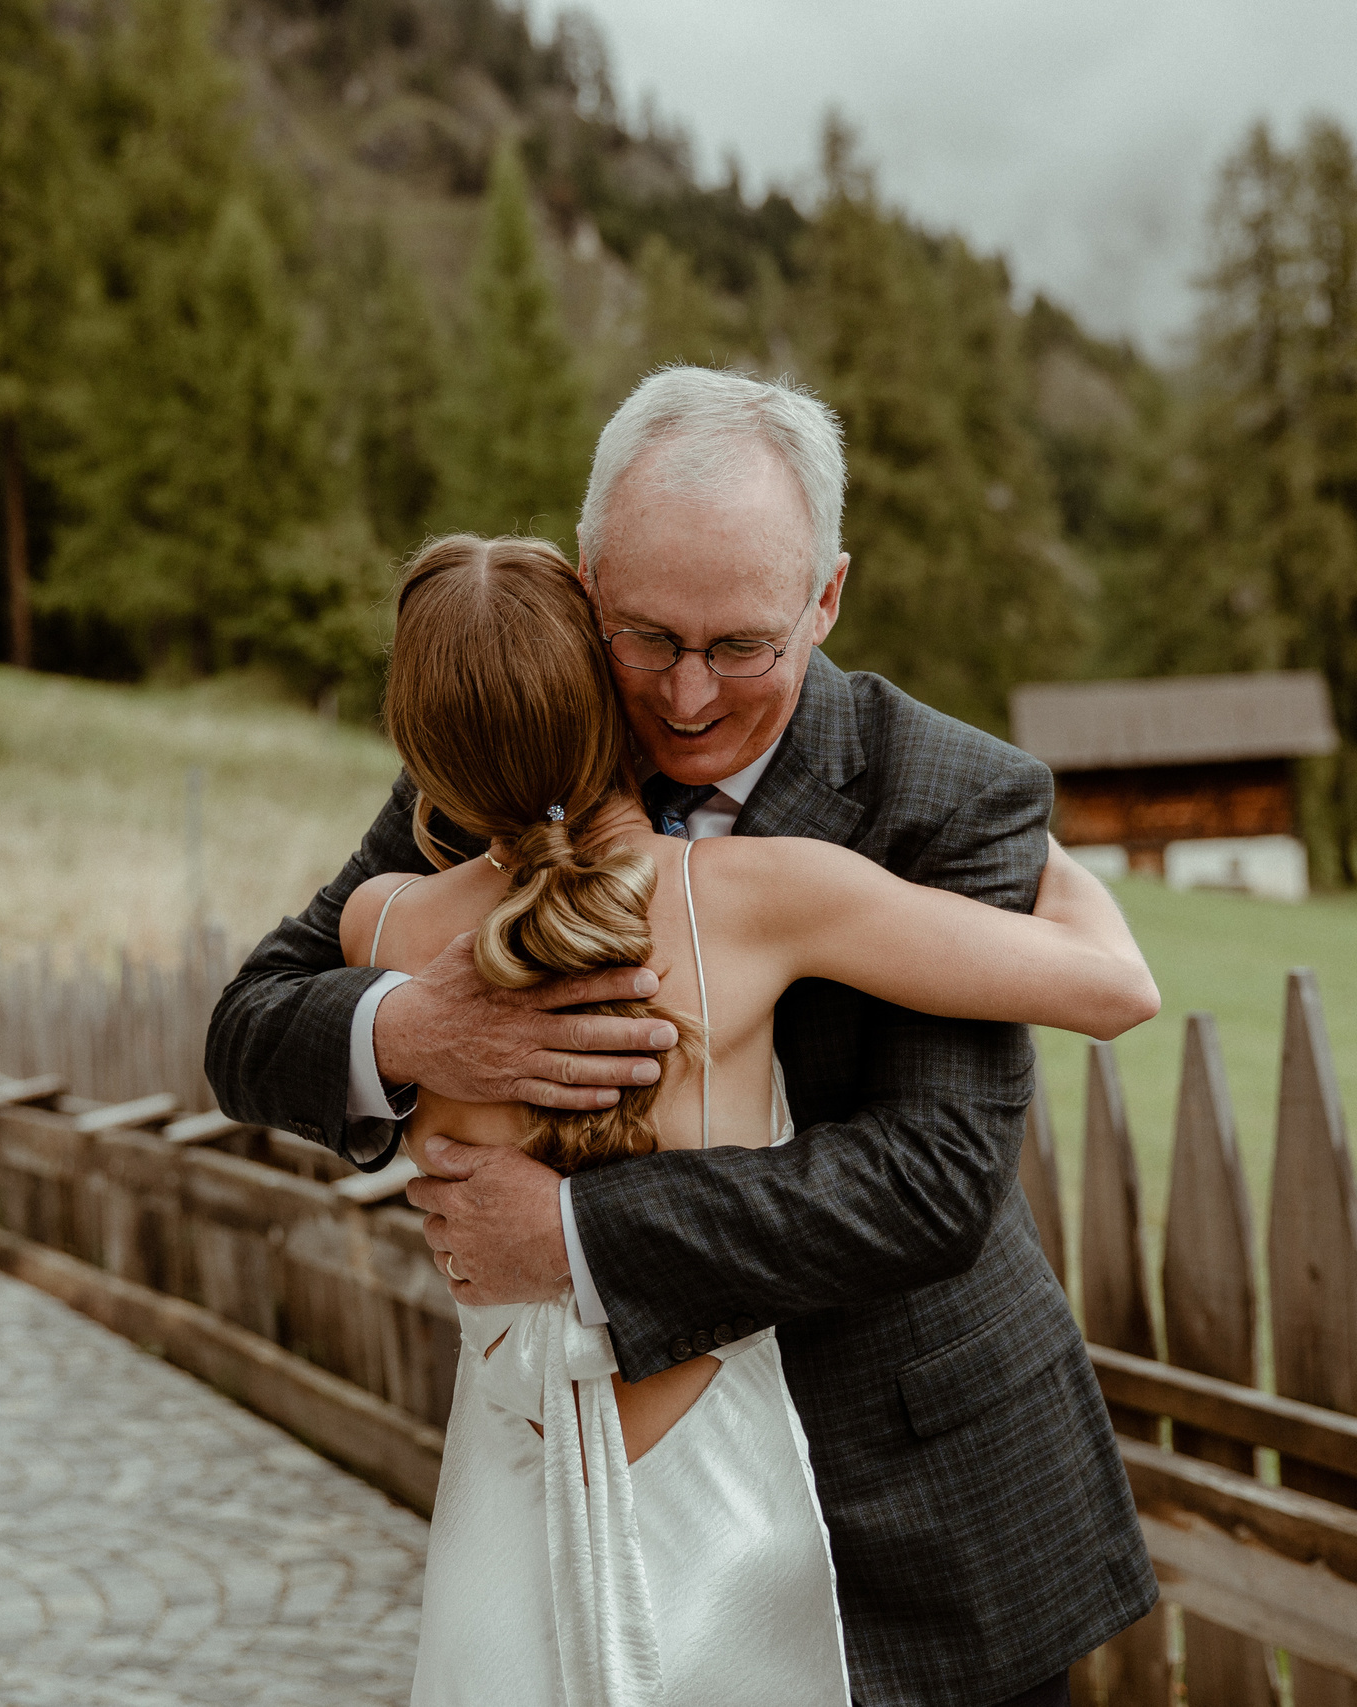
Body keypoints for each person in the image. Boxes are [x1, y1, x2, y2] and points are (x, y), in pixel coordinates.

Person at [205, 367, 1160, 1707]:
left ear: (826, 596)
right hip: (599, 1496)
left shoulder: (951, 796)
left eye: (743, 647)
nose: (691, 697)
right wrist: (424, 1030)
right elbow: (251, 1027)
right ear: (588, 582)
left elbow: (934, 1180)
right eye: (648, 638)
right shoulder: (514, 750)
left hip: (925, 1517)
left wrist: (573, 1239)